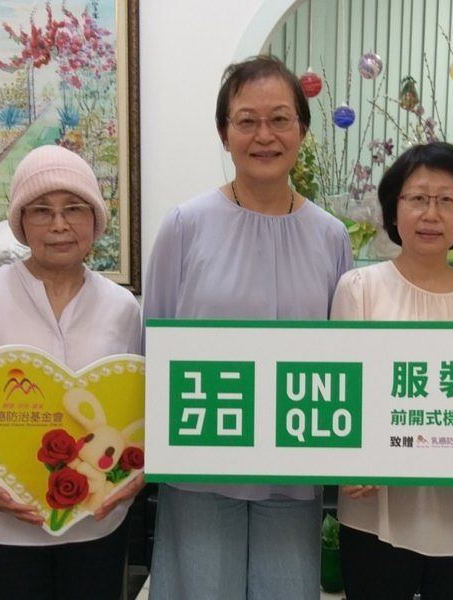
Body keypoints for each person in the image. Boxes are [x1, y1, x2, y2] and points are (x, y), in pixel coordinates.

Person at [144, 55, 352, 600]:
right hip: (200, 463)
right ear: (224, 133)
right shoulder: (185, 225)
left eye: (280, 119)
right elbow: (153, 345)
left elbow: (346, 355)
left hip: (294, 464)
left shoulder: (331, 236)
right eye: (247, 121)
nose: (265, 135)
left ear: (302, 130)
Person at [0, 145, 143, 599]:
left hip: (96, 521)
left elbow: (134, 403)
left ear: (95, 219)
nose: (59, 225)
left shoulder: (122, 306)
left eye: (74, 209)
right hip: (0, 521)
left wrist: (133, 476)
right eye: (42, 210)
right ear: (21, 222)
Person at [331, 141, 453, 600]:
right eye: (417, 198)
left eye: (447, 199)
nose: (431, 214)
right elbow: (342, 390)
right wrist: (348, 464)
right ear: (394, 209)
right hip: (375, 507)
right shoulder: (359, 288)